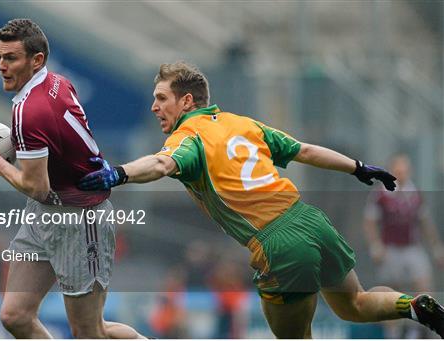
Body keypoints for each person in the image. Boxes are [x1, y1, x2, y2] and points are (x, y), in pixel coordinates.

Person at [77, 61, 444, 338]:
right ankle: (412, 305)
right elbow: (306, 150)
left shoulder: (189, 136)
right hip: (310, 221)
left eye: (161, 99)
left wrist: (118, 173)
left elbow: (160, 163)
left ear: (186, 101)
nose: (154, 107)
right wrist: (359, 167)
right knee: (356, 303)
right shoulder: (243, 123)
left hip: (278, 243)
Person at [0, 18, 144, 339]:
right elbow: (53, 149)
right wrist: (10, 155)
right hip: (44, 210)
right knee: (15, 316)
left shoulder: (31, 112)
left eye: (11, 58)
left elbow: (36, 184)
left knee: (90, 331)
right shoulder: (57, 82)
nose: (1, 66)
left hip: (80, 218)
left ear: (37, 60)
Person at [364, 153, 444, 338]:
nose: (402, 174)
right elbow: (369, 222)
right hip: (391, 248)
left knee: (424, 284)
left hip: (411, 247)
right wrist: (375, 245)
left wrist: (436, 247)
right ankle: (393, 332)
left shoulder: (414, 194)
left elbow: (425, 223)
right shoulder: (381, 194)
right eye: (398, 170)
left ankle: (421, 330)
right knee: (393, 293)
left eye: (405, 170)